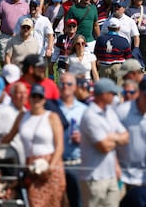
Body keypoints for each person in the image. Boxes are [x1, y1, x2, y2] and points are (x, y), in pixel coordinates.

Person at [2, 84, 66, 207]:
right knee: (35, 202)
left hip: (51, 164)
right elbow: (9, 136)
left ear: (44, 100)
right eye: (33, 96)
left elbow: (59, 146)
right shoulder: (22, 117)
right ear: (29, 98)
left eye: (39, 97)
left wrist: (51, 167)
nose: (36, 100)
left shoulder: (52, 117)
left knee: (54, 203)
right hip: (31, 165)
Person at [79, 78, 128, 206]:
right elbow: (104, 147)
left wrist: (112, 138)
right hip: (93, 178)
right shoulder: (90, 116)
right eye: (112, 93)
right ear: (103, 95)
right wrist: (116, 138)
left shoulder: (110, 112)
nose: (115, 96)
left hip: (111, 175)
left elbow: (126, 137)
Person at [55, 72, 87, 207]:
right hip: (56, 164)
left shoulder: (84, 110)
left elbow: (94, 135)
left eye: (69, 84)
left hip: (77, 164)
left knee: (77, 202)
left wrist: (83, 138)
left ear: (75, 87)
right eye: (62, 84)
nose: (65, 87)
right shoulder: (51, 108)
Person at [0, 0, 29, 66]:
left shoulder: (25, 5)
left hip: (20, 36)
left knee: (18, 59)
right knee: (3, 58)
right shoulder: (3, 4)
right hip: (5, 35)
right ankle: (6, 75)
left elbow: (29, 21)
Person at [94, 17, 131, 84]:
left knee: (105, 91)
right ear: (119, 28)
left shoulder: (100, 39)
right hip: (118, 68)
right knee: (118, 91)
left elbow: (96, 54)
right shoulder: (123, 40)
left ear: (108, 27)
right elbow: (128, 57)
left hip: (104, 67)